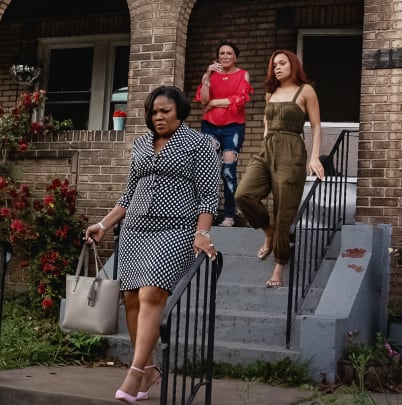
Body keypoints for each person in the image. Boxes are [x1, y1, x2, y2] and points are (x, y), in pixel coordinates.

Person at [85, 86, 220, 403]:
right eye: (153, 112)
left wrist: (202, 233)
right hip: (135, 230)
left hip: (174, 229)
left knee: (151, 293)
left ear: (180, 111)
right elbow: (128, 194)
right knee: (131, 298)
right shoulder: (141, 144)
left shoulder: (200, 145)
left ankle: (133, 373)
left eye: (165, 111)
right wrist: (104, 224)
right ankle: (148, 368)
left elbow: (208, 197)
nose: (158, 117)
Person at [235, 50, 325, 288]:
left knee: (284, 210)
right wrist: (266, 140)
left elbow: (316, 126)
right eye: (274, 65)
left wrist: (314, 158)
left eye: (282, 63)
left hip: (292, 151)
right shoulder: (271, 93)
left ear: (293, 65)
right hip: (268, 150)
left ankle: (279, 265)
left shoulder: (305, 90)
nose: (277, 68)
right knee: (243, 194)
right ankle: (268, 232)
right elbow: (267, 122)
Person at [195, 40, 254, 227]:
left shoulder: (243, 74)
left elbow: (238, 99)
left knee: (228, 171)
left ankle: (229, 215)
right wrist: (206, 75)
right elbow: (204, 99)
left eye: (229, 53)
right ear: (217, 57)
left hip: (233, 127)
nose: (225, 56)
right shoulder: (211, 76)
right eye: (222, 53)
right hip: (210, 126)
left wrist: (213, 103)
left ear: (235, 56)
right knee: (208, 170)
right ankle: (206, 214)